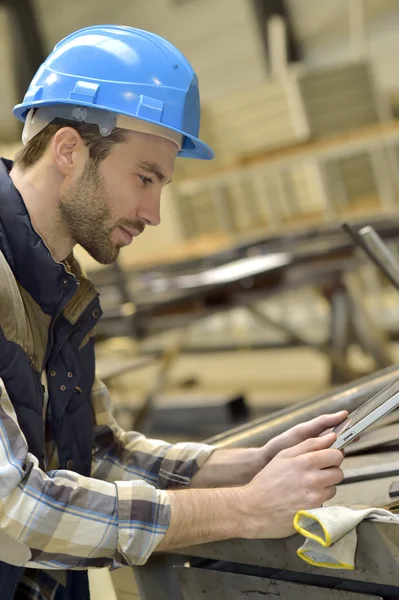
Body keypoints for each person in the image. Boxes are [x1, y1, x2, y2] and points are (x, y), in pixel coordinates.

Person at [0, 24, 346, 600]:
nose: (154, 212)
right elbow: (17, 508)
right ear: (68, 150)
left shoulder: (59, 287)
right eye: (144, 178)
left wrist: (249, 466)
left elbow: (100, 454)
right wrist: (242, 510)